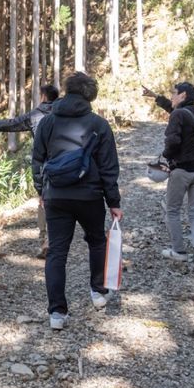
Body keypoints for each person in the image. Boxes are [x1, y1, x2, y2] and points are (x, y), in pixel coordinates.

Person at [31, 73, 122, 331]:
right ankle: (98, 292)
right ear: (89, 95)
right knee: (96, 241)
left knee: (57, 252)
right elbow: (108, 168)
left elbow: (37, 159)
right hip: (89, 196)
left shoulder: (48, 122)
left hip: (56, 195)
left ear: (67, 92)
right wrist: (113, 201)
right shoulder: (99, 124)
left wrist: (42, 190)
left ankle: (57, 314)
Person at [0, 84, 59, 258]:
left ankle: (45, 240)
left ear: (43, 97)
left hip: (45, 167)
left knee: (44, 202)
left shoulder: (36, 115)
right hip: (67, 165)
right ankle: (58, 239)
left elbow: (12, 124)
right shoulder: (65, 114)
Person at [153, 82, 194, 270]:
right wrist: (158, 98)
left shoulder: (178, 115)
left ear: (183, 95)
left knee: (172, 210)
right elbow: (177, 112)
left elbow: (173, 140)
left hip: (182, 170)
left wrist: (165, 156)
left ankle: (179, 251)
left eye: (174, 93)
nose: (172, 96)